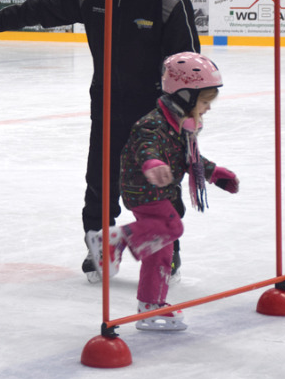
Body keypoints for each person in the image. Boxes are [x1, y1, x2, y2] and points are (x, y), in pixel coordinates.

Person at [0, 0, 200, 282]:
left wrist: (184, 113)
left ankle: (170, 252)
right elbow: (42, 8)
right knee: (100, 183)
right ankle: (101, 247)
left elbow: (188, 64)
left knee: (160, 183)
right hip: (105, 105)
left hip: (156, 114)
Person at [88, 52, 239, 330]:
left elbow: (188, 158)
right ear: (185, 96)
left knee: (161, 252)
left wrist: (215, 173)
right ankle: (114, 240)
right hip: (144, 189)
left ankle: (150, 305)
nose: (207, 108)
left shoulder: (180, 123)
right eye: (205, 102)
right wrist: (153, 163)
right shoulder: (154, 123)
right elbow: (147, 146)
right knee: (172, 228)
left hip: (161, 190)